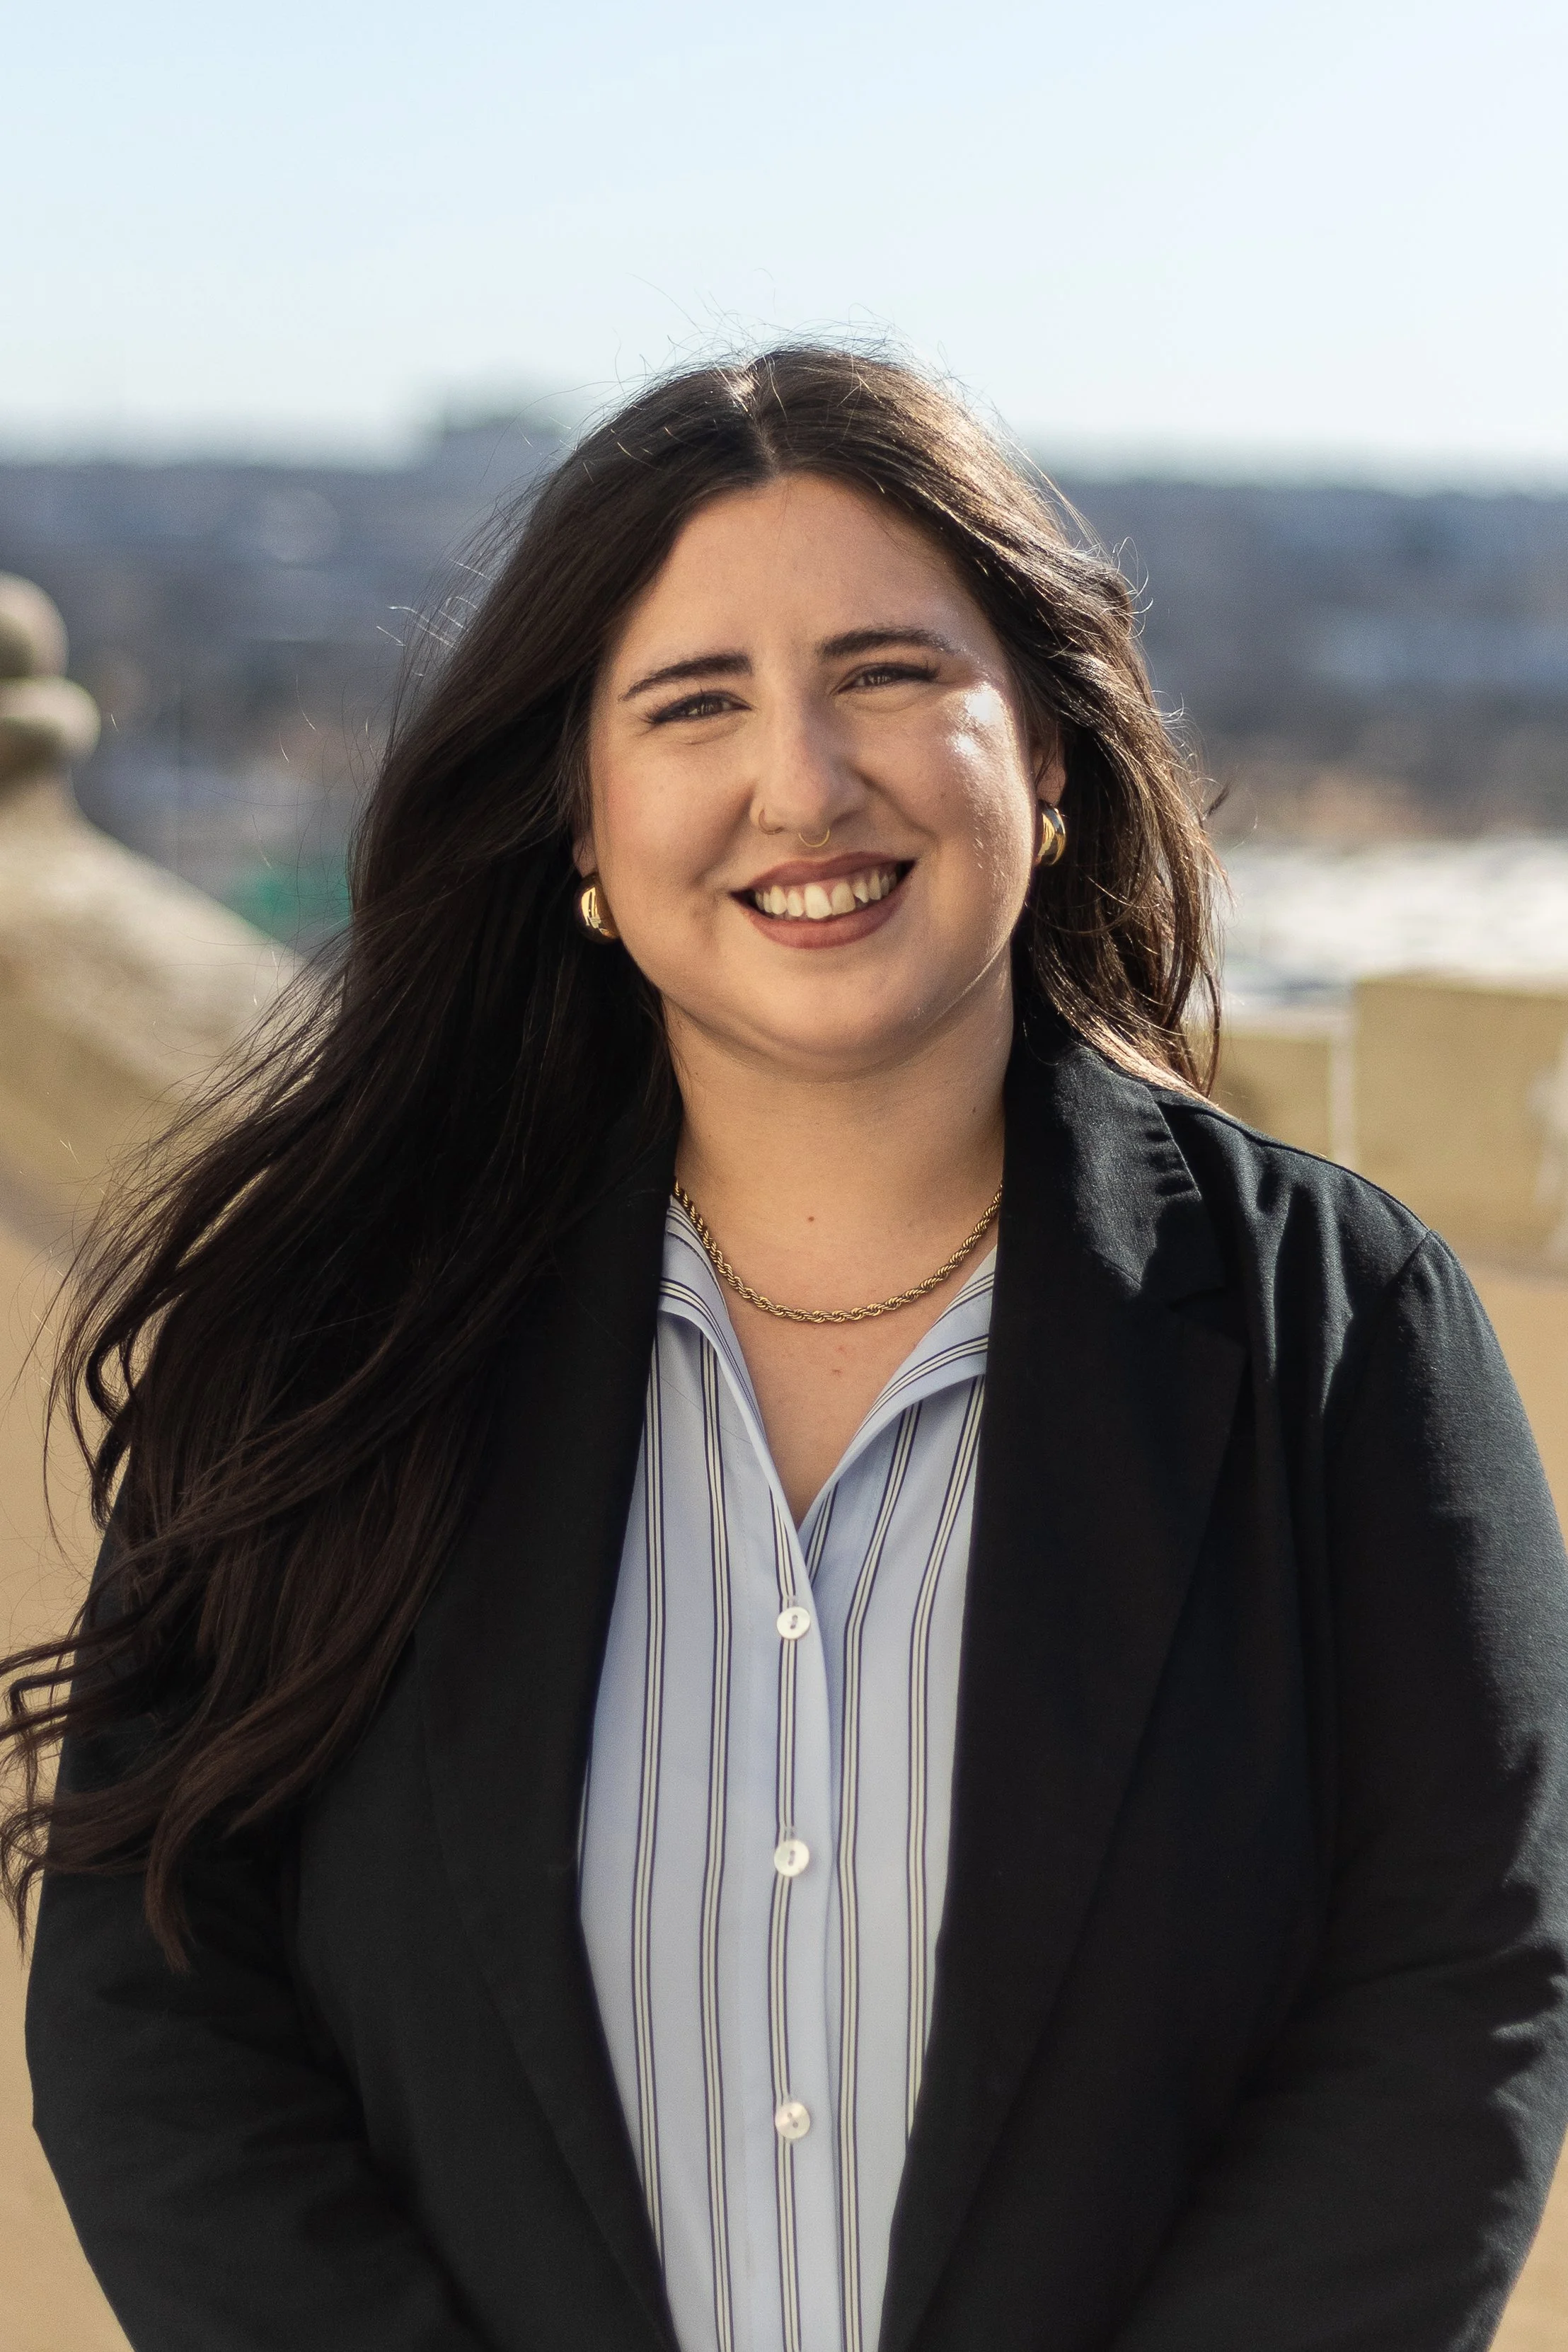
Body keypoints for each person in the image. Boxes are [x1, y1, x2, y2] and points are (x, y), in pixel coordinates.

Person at [5, 345, 1567, 2352]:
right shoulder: (331, 1336)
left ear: (1053, 748)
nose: (806, 781)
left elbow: (1460, 1990)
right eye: (696, 703)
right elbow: (157, 2002)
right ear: (583, 815)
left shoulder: (1344, 1337)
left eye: (893, 675)